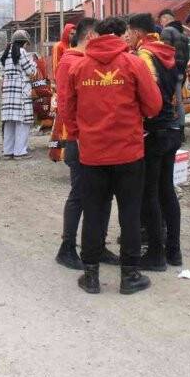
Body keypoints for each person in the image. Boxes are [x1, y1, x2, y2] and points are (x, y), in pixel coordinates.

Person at [61, 16, 162, 295]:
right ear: (121, 35)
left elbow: (67, 109)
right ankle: (129, 276)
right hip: (128, 152)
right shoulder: (133, 63)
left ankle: (91, 276)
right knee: (130, 213)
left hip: (92, 155)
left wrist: (80, 134)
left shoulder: (79, 67)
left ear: (95, 36)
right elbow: (153, 105)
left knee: (94, 212)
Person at [50, 17, 119, 270]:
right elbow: (66, 106)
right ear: (90, 37)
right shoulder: (70, 62)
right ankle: (67, 247)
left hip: (98, 140)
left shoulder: (87, 61)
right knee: (79, 194)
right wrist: (77, 136)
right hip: (78, 140)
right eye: (101, 37)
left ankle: (98, 245)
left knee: (104, 194)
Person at [127, 13, 183, 271]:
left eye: (129, 33)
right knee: (167, 190)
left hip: (154, 129)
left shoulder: (145, 55)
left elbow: (149, 93)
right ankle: (174, 251)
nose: (127, 37)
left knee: (149, 192)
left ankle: (156, 255)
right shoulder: (167, 51)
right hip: (172, 126)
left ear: (138, 33)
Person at [0, 30, 38, 159]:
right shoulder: (22, 52)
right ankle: (20, 152)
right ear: (24, 42)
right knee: (23, 122)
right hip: (21, 91)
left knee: (9, 122)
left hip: (8, 92)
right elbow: (31, 71)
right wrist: (33, 62)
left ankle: (8, 151)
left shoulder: (6, 52)